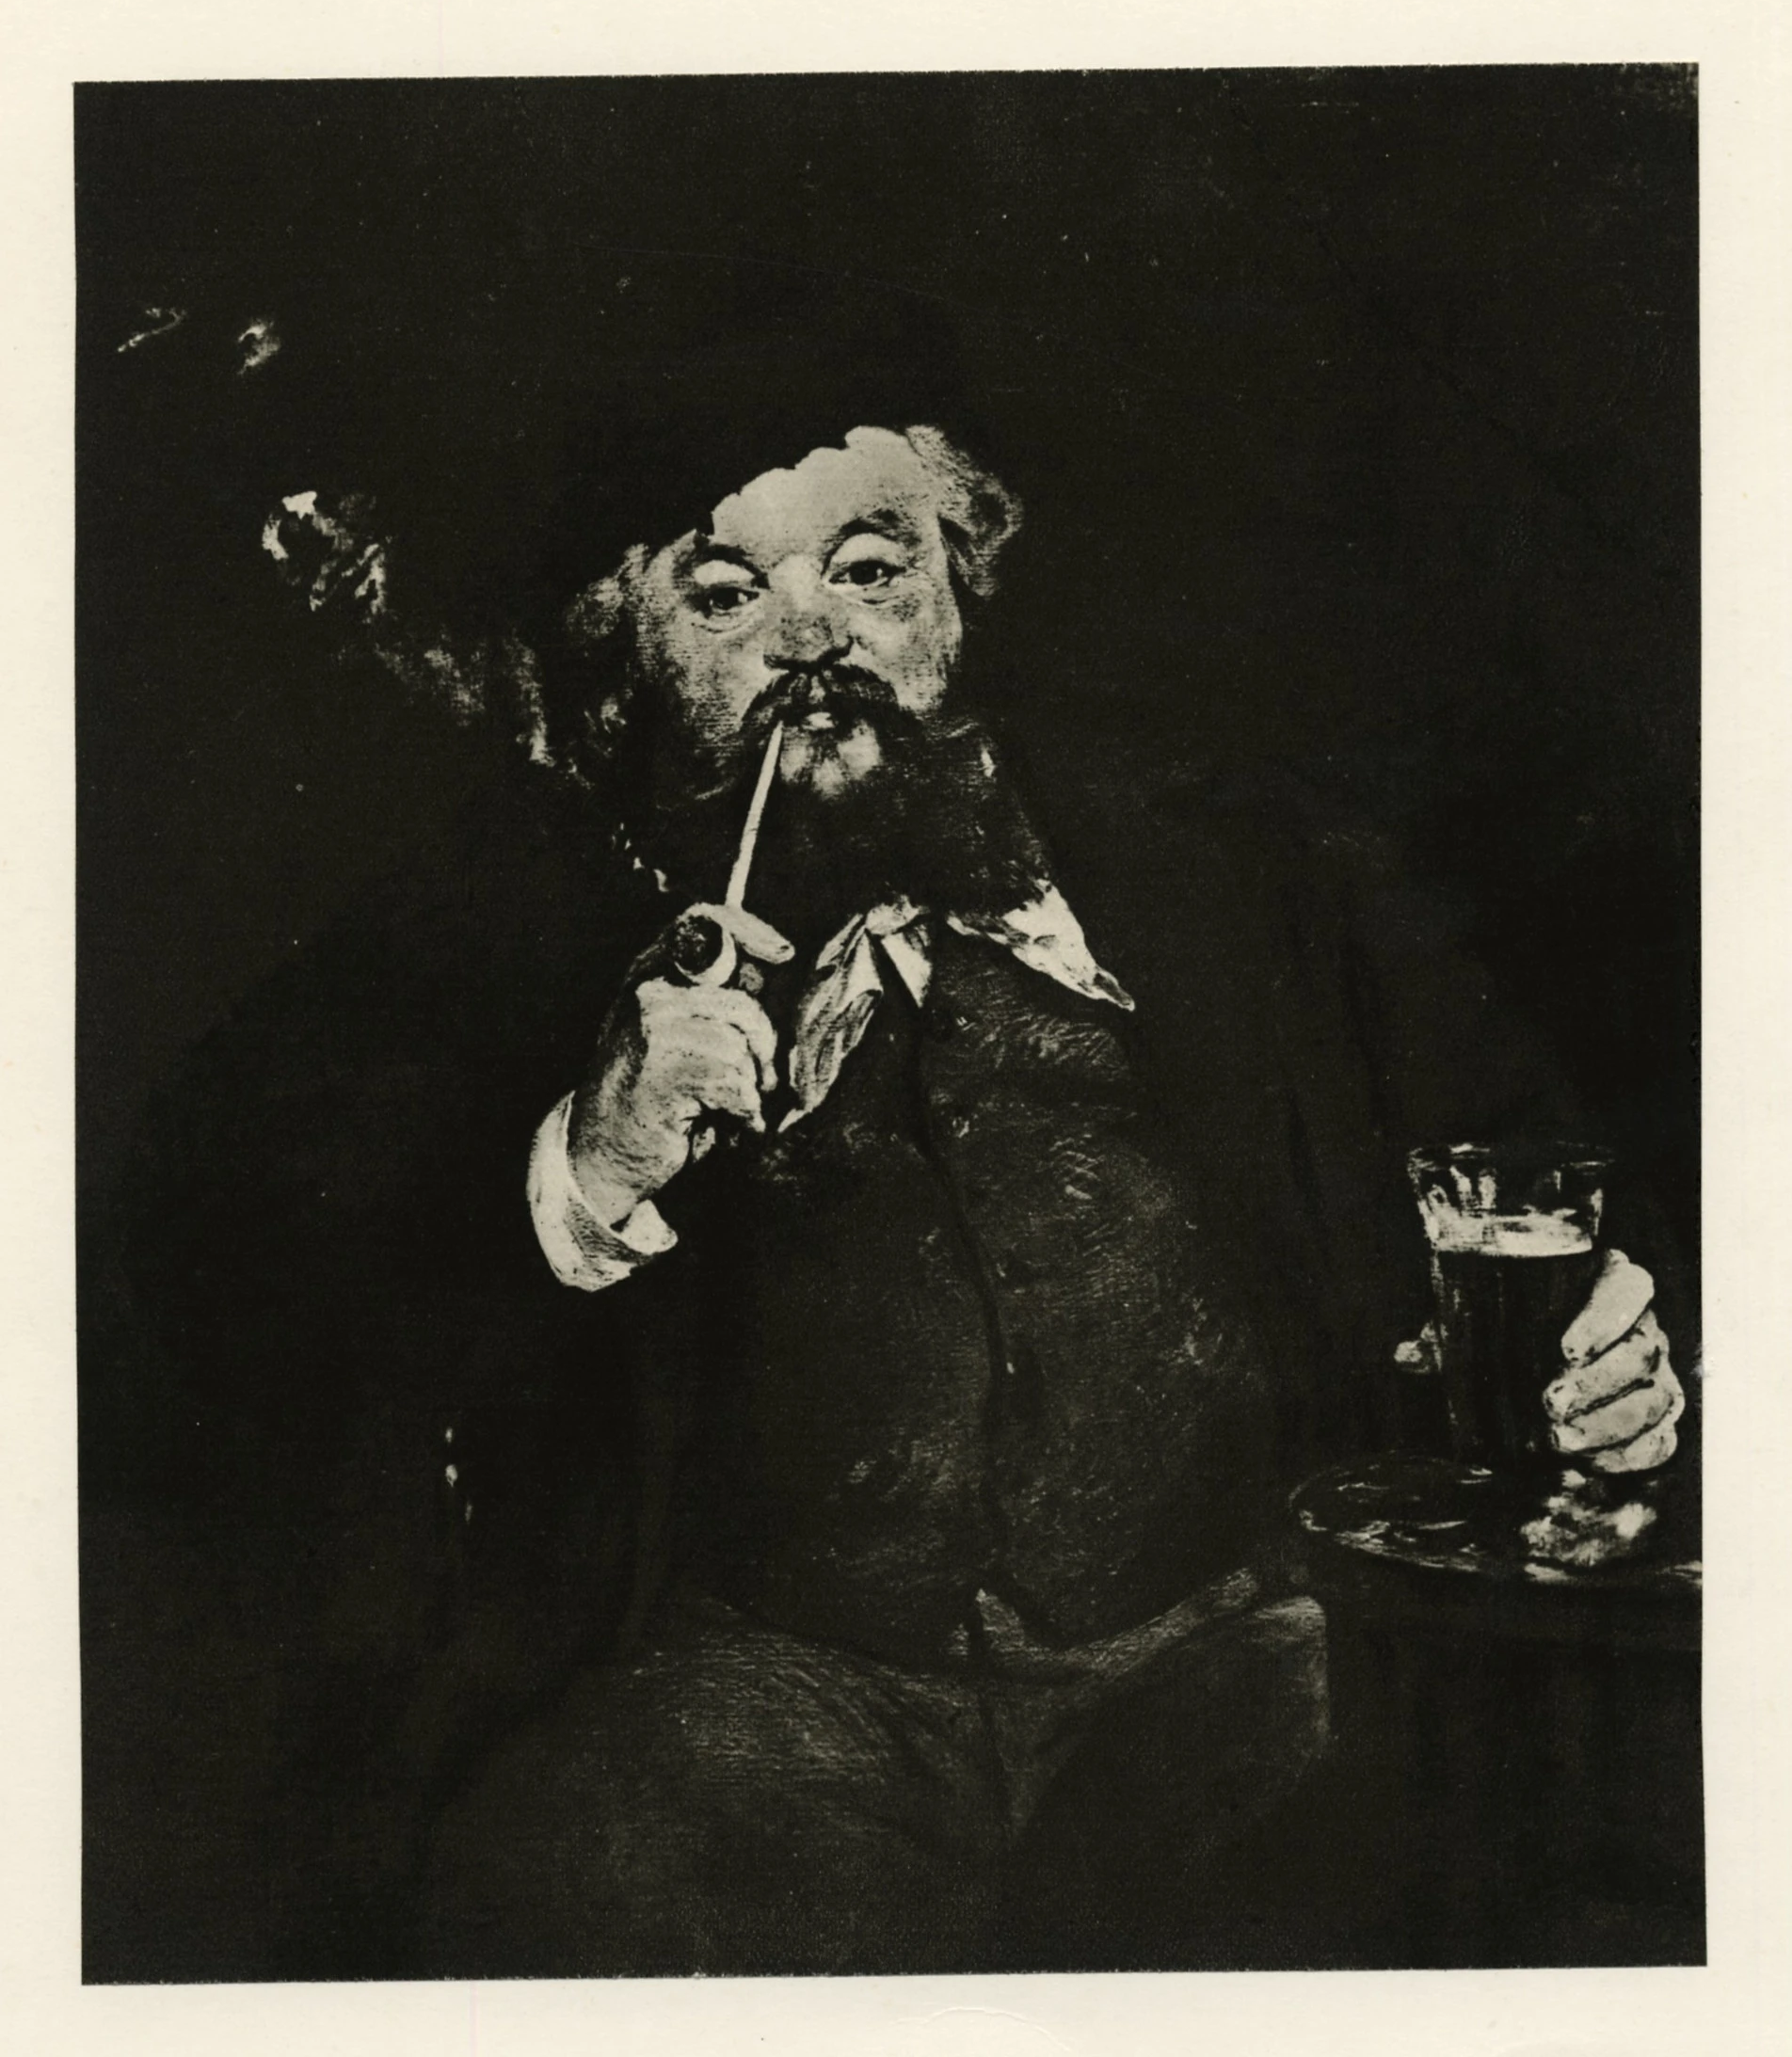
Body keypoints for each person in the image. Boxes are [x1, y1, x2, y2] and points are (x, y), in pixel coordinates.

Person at [388, 417, 1686, 1974]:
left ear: (963, 589)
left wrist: (1629, 1353)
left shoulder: (1256, 868)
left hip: (1237, 1647)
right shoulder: (523, 947)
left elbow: (1564, 1175)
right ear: (629, 662)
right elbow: (331, 1336)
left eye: (870, 571)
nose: (812, 641)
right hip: (770, 1697)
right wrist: (593, 1157)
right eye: (726, 599)